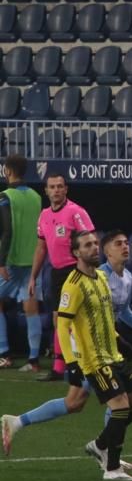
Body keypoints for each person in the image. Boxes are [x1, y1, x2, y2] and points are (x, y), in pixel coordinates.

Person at [2, 232, 132, 459]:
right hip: (88, 346)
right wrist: (73, 358)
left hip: (106, 342)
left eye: (126, 244)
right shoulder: (98, 276)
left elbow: (122, 311)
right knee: (116, 398)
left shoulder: (127, 277)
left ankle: (17, 422)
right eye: (118, 244)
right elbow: (73, 318)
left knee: (76, 402)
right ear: (107, 252)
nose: (125, 248)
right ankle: (107, 452)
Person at [28, 173, 94, 382]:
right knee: (59, 320)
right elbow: (41, 248)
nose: (56, 190)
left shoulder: (76, 212)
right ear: (46, 191)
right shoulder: (44, 215)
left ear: (66, 189)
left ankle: (85, 364)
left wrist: (89, 270)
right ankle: (59, 367)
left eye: (59, 186)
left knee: (76, 319)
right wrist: (33, 277)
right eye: (52, 187)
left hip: (76, 270)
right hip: (57, 273)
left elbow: (91, 241)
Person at [0, 154, 43, 372]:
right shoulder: (36, 196)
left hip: (12, 260)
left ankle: (4, 354)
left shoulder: (5, 196)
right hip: (33, 260)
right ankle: (34, 360)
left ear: (7, 170)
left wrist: (1, 261)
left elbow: (7, 231)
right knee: (31, 308)